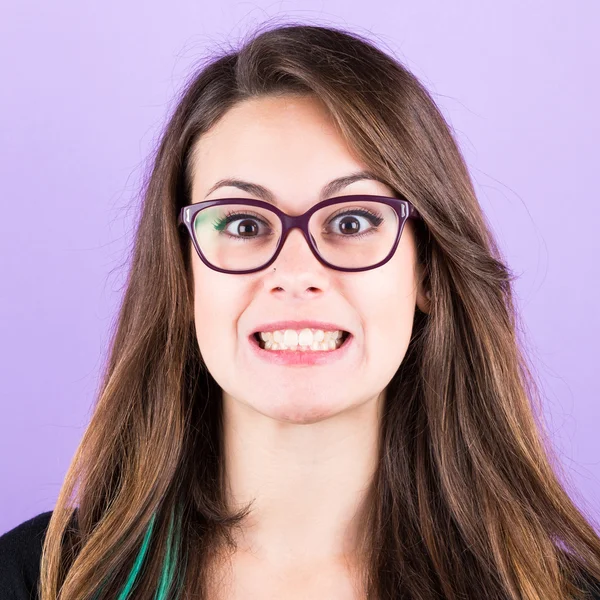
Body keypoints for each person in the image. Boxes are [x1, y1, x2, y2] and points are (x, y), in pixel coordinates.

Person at [1, 21, 599, 600]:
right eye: (243, 224)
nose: (295, 273)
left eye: (352, 220)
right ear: (182, 277)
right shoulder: (41, 580)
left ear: (427, 272)